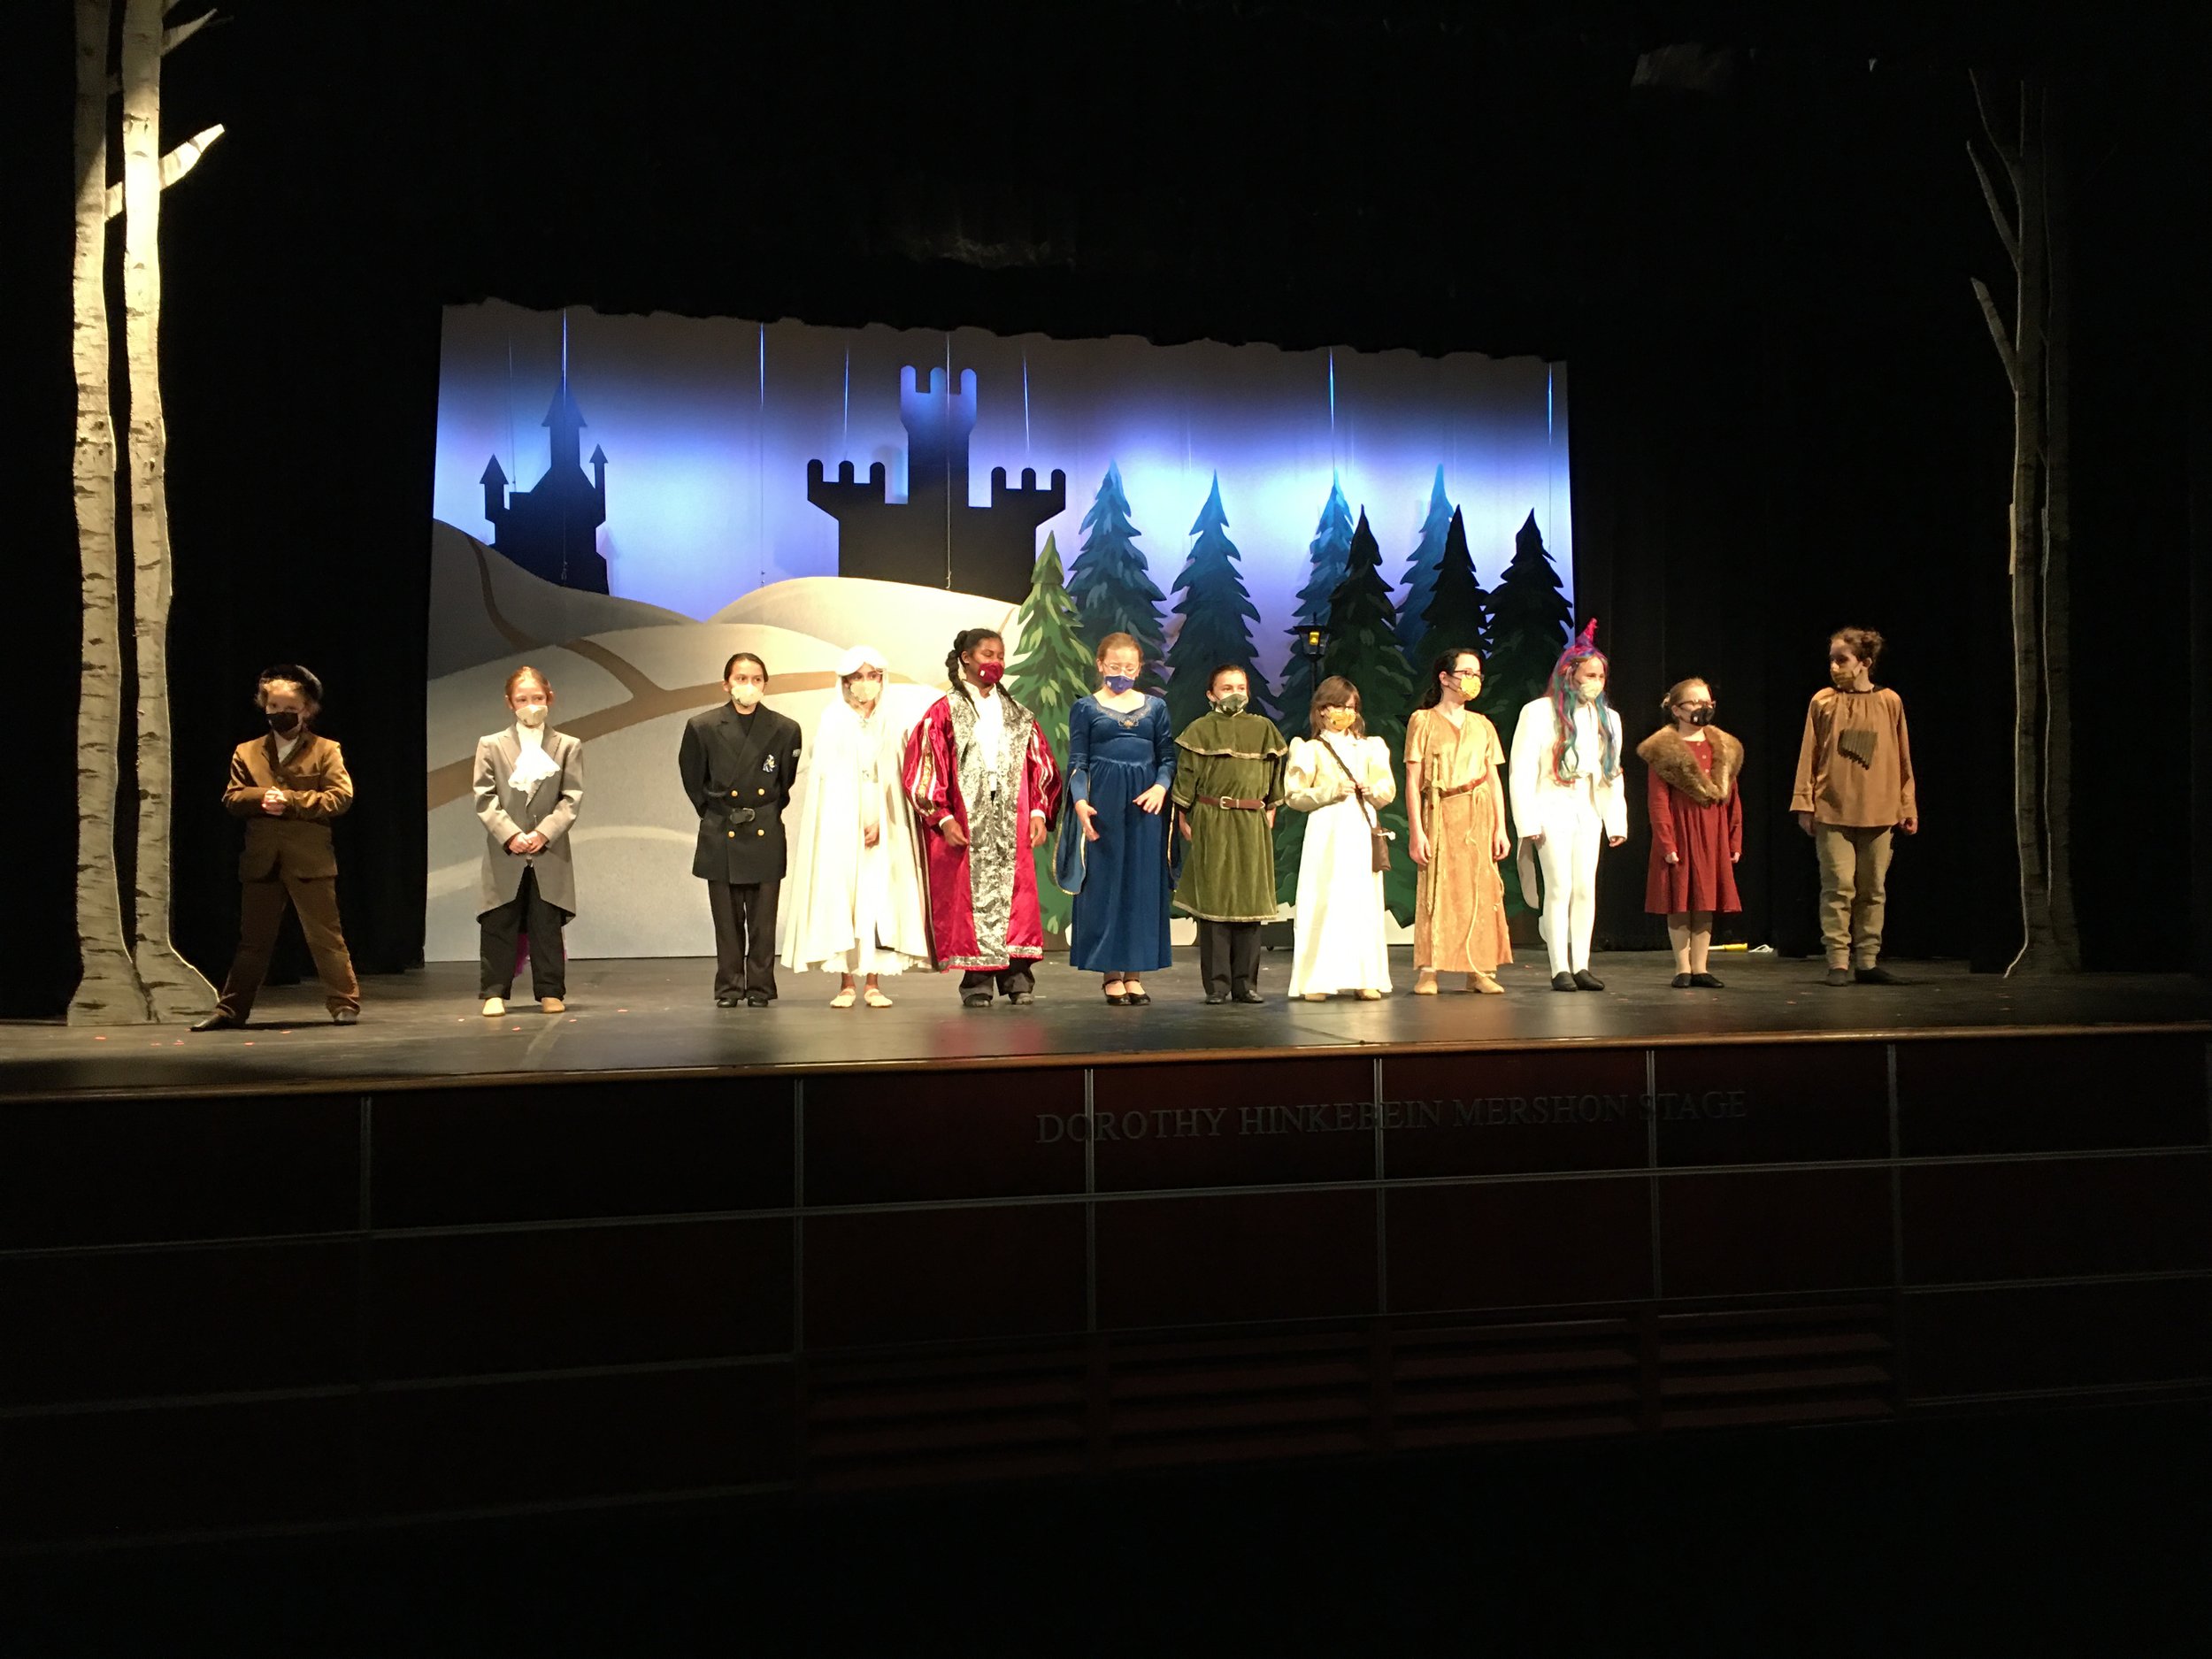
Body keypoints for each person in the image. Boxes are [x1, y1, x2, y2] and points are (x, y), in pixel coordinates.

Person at [192, 664, 361, 1030]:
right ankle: (231, 1009)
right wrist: (259, 798)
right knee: (252, 941)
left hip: (309, 858)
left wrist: (291, 801)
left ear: (306, 710)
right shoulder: (247, 751)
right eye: (273, 708)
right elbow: (232, 798)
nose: (280, 715)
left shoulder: (326, 750)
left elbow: (340, 798)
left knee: (325, 937)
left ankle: (343, 1003)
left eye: (289, 709)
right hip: (262, 859)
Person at [903, 627, 1061, 1007]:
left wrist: (1038, 810)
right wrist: (942, 817)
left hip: (1012, 816)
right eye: (987, 654)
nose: (995, 663)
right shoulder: (943, 712)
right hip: (967, 818)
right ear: (966, 659)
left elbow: (1038, 763)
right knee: (970, 901)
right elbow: (925, 767)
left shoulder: (1017, 715)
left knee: (1016, 899)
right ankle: (976, 983)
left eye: (1000, 656)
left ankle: (1017, 980)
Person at [779, 645, 933, 1006]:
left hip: (884, 824)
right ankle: (846, 982)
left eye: (873, 676)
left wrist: (882, 818)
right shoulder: (833, 719)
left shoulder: (892, 721)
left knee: (878, 899)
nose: (866, 684)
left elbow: (897, 775)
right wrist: (847, 822)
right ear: (846, 681)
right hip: (840, 825)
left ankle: (874, 982)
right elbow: (826, 778)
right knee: (844, 898)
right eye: (858, 677)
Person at [1790, 626, 1917, 986]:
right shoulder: (1823, 701)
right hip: (1833, 809)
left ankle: (1867, 959)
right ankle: (1838, 960)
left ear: (1865, 662)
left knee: (1873, 888)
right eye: (1831, 659)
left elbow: (1903, 758)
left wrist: (1908, 807)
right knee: (1838, 886)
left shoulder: (1889, 701)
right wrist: (1804, 803)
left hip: (1880, 811)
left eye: (1841, 659)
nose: (1834, 666)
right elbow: (1808, 755)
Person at [679, 652, 803, 1007]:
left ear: (765, 683)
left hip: (764, 827)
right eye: (741, 678)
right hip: (722, 829)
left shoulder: (785, 728)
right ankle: (730, 987)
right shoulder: (702, 726)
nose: (749, 686)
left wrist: (761, 812)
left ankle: (761, 988)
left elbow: (784, 783)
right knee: (727, 921)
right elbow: (693, 779)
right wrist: (718, 813)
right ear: (726, 684)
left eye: (756, 679)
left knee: (764, 921)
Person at [1057, 633, 1176, 1005]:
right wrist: (1080, 803)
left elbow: (1167, 758)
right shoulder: (1086, 708)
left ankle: (1135, 974)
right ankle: (1111, 974)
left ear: (1139, 668)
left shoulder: (1155, 708)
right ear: (1100, 665)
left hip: (1146, 806)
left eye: (1129, 667)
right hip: (1103, 804)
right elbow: (1077, 762)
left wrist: (1160, 787)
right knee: (1106, 886)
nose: (1122, 673)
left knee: (1141, 886)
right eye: (1114, 666)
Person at [1509, 620, 1628, 992]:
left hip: (1587, 809)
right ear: (1569, 673)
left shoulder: (1608, 719)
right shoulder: (1539, 712)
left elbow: (1612, 772)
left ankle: (1582, 964)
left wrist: (1616, 820)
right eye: (1590, 674)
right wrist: (1526, 819)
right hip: (1551, 806)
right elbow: (1522, 768)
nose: (1596, 682)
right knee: (1559, 886)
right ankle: (1558, 966)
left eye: (1601, 676)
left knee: (1584, 889)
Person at [1171, 665, 1288, 1004]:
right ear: (1211, 694)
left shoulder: (1264, 729)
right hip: (1212, 818)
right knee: (1215, 901)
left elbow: (1274, 779)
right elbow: (1186, 779)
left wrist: (1269, 809)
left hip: (1251, 820)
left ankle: (1246, 984)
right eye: (1225, 687)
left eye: (1240, 686)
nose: (1234, 692)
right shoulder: (1200, 730)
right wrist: (1184, 815)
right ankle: (1218, 985)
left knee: (1250, 901)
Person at [472, 666, 585, 1016]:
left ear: (549, 698)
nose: (531, 705)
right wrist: (511, 835)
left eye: (537, 698)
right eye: (523, 699)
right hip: (506, 850)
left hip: (548, 850)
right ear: (510, 703)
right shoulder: (491, 745)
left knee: (546, 922)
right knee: (499, 919)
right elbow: (484, 796)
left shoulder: (567, 745)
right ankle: (494, 992)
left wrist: (543, 833)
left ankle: (550, 991)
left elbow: (572, 797)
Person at [1405, 647, 1511, 995]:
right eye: (1466, 672)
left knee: (1479, 888)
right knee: (1437, 888)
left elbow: (1493, 779)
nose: (1472, 680)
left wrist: (1500, 827)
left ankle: (1478, 968)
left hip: (1477, 813)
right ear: (1445, 677)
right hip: (1440, 811)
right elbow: (1412, 780)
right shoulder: (1423, 720)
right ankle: (1430, 969)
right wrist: (1416, 831)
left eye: (1477, 674)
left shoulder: (1483, 725)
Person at [1284, 676, 1394, 1001]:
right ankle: (1317, 980)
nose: (1344, 712)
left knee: (1362, 901)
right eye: (1337, 706)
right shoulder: (1310, 749)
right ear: (1322, 709)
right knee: (1325, 898)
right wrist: (1330, 791)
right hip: (1327, 830)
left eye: (1350, 707)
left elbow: (1387, 790)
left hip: (1360, 828)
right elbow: (1294, 794)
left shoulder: (1370, 746)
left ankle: (1365, 977)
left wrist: (1374, 790)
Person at [1637, 677, 1743, 988]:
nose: (1703, 708)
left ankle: (1701, 967)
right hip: (1681, 832)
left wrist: (1734, 838)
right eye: (1695, 702)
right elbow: (1658, 802)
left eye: (1707, 702)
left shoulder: (1724, 747)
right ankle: (1682, 967)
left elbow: (1733, 798)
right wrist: (1666, 840)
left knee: (1705, 900)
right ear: (1676, 709)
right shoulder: (1664, 751)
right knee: (1681, 900)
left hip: (1714, 830)